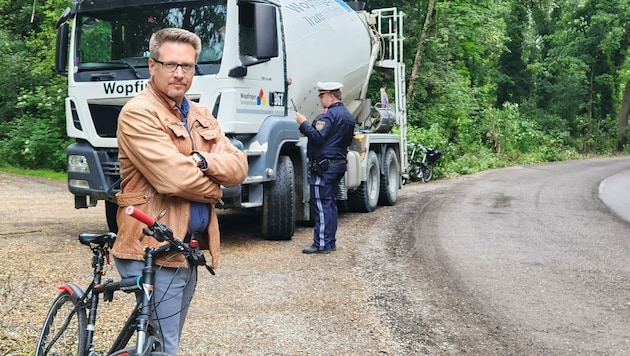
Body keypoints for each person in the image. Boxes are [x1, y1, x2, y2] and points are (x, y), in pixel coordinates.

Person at [112, 28, 248, 354]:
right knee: (166, 346)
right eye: (170, 64)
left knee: (159, 340)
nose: (179, 74)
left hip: (187, 248)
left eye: (186, 66)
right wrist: (216, 190)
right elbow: (173, 180)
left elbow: (239, 167)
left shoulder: (199, 113)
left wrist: (200, 160)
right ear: (151, 65)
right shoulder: (139, 112)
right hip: (152, 246)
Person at [295, 82, 355, 254]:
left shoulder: (328, 115)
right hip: (338, 165)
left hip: (324, 167)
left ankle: (321, 243)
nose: (321, 100)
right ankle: (330, 242)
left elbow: (317, 136)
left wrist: (303, 123)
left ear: (331, 96)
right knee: (330, 205)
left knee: (321, 204)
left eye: (322, 96)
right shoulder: (347, 115)